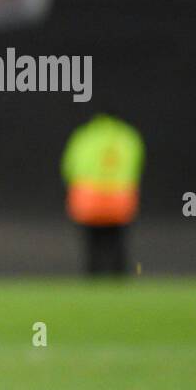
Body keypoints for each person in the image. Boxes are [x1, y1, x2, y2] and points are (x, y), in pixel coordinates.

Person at [61, 114, 144, 275]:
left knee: (92, 243)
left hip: (89, 199)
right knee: (117, 241)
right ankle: (118, 276)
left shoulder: (85, 136)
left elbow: (69, 166)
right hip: (120, 199)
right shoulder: (127, 136)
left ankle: (93, 275)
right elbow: (136, 165)